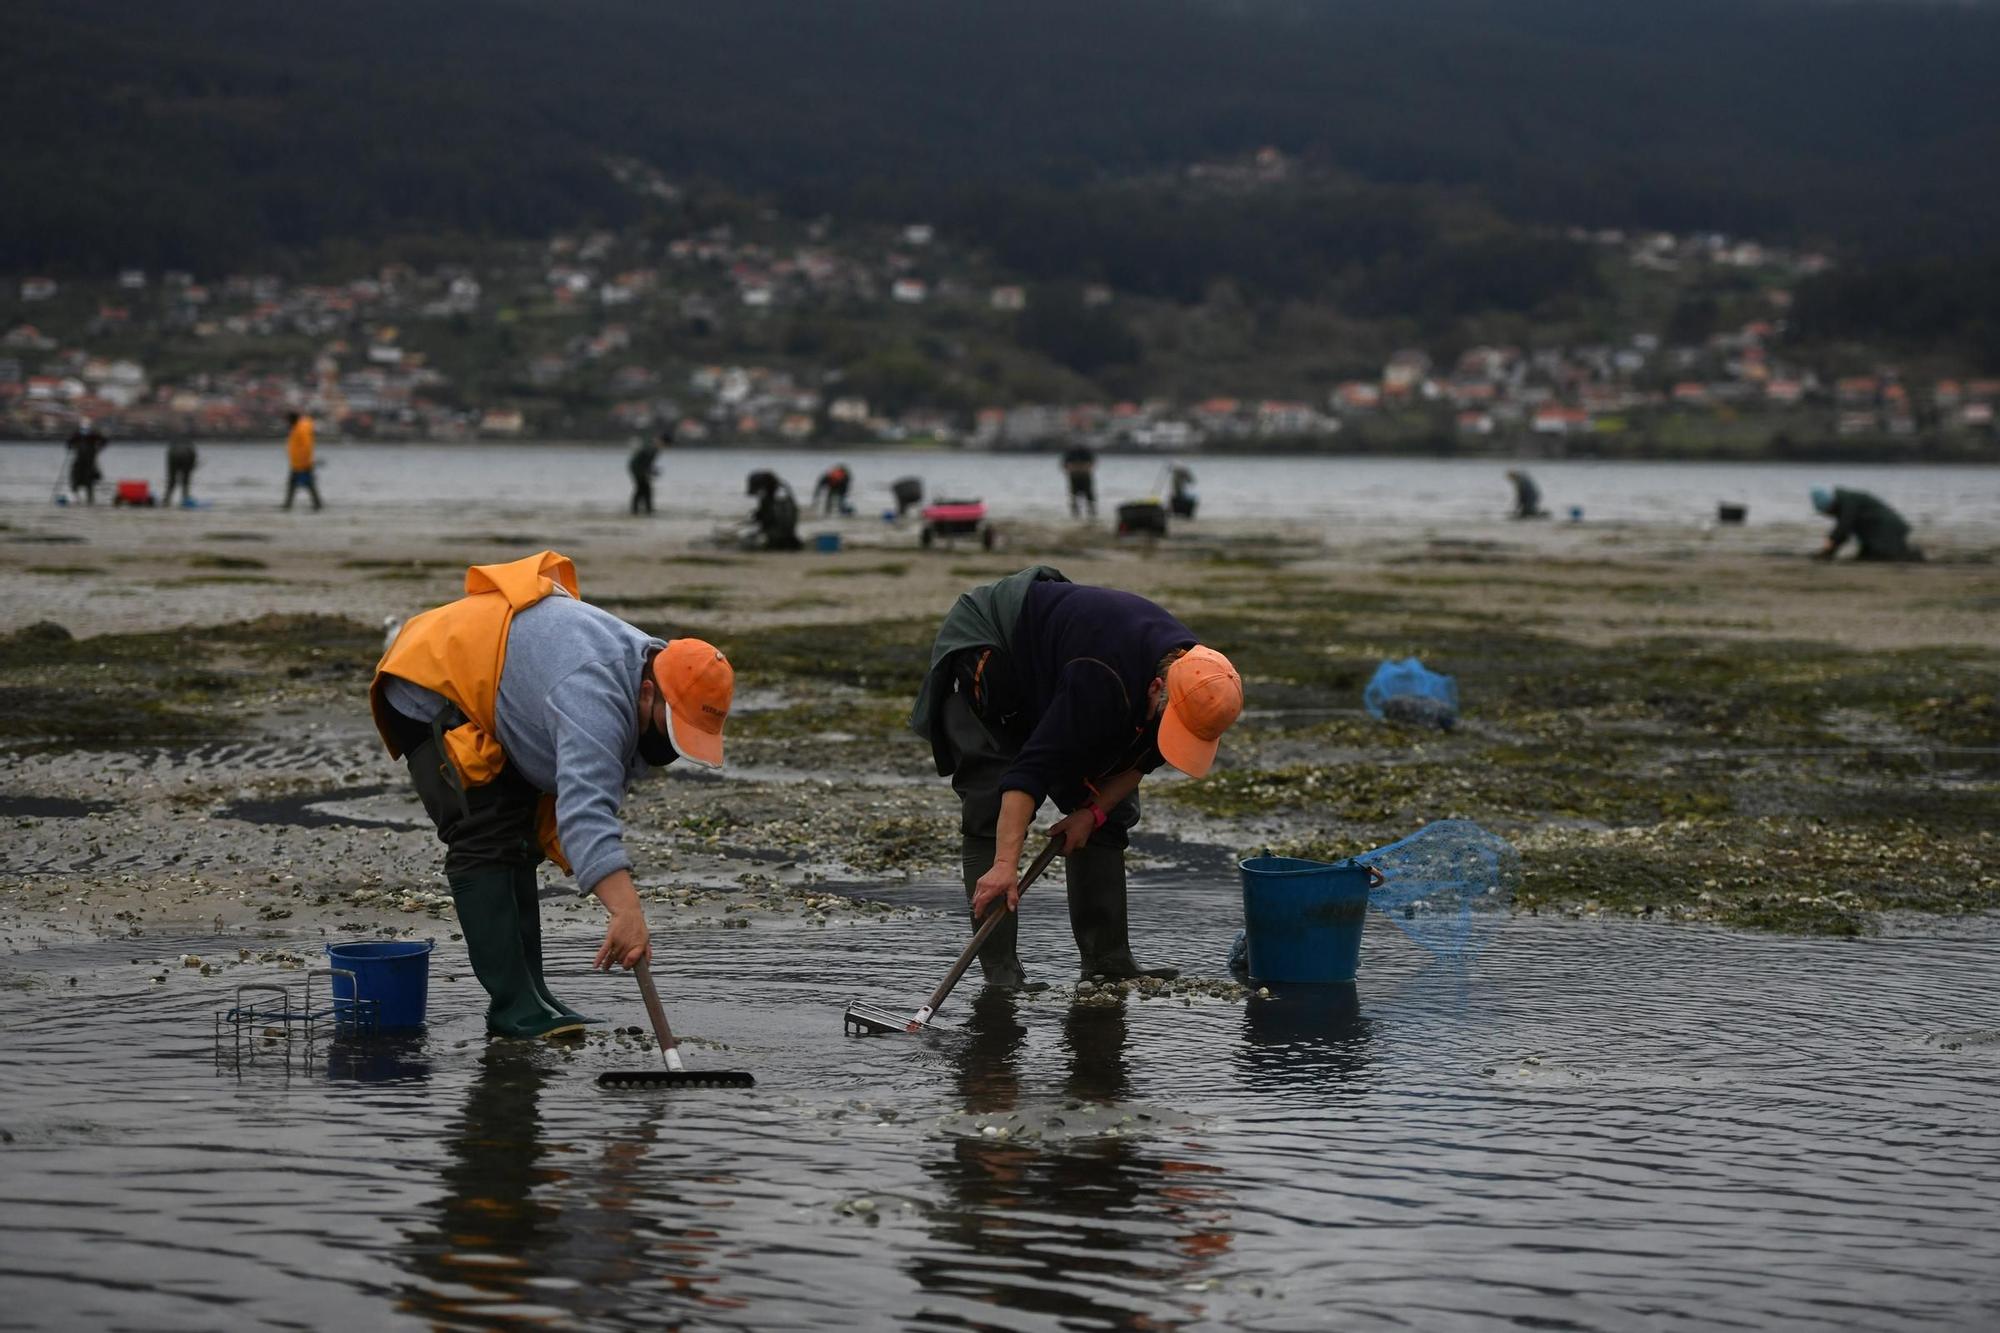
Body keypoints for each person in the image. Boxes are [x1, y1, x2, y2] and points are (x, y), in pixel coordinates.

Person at [370, 550, 736, 1038]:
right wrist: (627, 911)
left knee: (521, 838)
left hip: (501, 681)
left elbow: (593, 789)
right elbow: (585, 813)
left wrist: (618, 894)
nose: (668, 749)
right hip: (431, 683)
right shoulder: (594, 694)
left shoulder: (656, 666)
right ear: (649, 693)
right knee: (485, 834)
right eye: (670, 731)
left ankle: (533, 992)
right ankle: (512, 1004)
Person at [909, 566, 1246, 987]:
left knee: (1108, 809)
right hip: (994, 640)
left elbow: (1139, 761)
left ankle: (1109, 963)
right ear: (1157, 689)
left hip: (1066, 663)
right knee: (991, 795)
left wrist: (1092, 814)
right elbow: (1030, 771)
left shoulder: (1199, 679)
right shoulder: (1101, 679)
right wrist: (1004, 865)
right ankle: (1002, 975)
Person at [1812, 487, 1923, 562]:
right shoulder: (1843, 504)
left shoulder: (1848, 502)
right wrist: (1829, 553)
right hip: (1875, 532)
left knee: (1890, 556)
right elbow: (1844, 532)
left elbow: (1845, 526)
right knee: (1867, 557)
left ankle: (1915, 555)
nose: (1828, 515)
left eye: (1826, 512)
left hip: (1887, 528)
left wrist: (1831, 541)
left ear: (1829, 505)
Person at [745, 470, 803, 550]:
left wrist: (762, 518)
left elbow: (784, 517)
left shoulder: (780, 494)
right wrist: (758, 515)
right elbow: (766, 511)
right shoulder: (772, 493)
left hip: (781, 532)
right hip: (777, 530)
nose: (759, 492)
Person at [283, 410, 322, 511]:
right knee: (296, 484)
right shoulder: (297, 428)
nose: (287, 422)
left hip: (302, 464)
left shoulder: (300, 430)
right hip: (297, 463)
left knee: (308, 484)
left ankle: (317, 504)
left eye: (288, 420)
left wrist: (305, 462)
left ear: (292, 420)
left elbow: (307, 447)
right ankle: (288, 504)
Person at [64, 421, 108, 505]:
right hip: (79, 461)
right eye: (84, 429)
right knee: (75, 480)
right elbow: (69, 443)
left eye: (87, 429)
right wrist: (70, 446)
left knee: (89, 482)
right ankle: (75, 498)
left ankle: (90, 500)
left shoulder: (93, 435)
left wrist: (99, 449)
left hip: (90, 462)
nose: (85, 431)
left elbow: (104, 441)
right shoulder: (77, 435)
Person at [628, 432, 662, 515]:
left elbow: (646, 463)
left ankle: (641, 510)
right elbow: (645, 463)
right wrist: (650, 472)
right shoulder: (653, 450)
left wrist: (651, 471)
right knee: (643, 490)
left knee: (643, 490)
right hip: (638, 471)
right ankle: (642, 510)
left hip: (637, 470)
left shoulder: (651, 448)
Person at [1061, 444, 1098, 519]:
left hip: (1084, 476)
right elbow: (1064, 466)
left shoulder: (1085, 453)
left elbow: (1092, 464)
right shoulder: (1071, 454)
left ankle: (1091, 514)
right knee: (1074, 496)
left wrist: (1083, 468)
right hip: (1075, 477)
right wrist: (1073, 468)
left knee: (1089, 495)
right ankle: (1076, 515)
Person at [163, 438, 198, 507]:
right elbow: (192, 462)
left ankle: (166, 500)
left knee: (171, 480)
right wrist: (191, 467)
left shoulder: (172, 447)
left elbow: (169, 466)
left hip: (173, 456)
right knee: (185, 481)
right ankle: (185, 499)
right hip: (186, 457)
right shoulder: (191, 447)